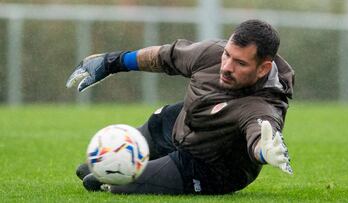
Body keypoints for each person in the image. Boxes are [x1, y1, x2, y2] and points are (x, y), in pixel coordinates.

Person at [66, 19, 294, 195]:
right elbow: (165, 57)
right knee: (90, 169)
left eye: (240, 63)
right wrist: (111, 62)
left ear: (263, 69)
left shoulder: (263, 104)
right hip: (180, 123)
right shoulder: (211, 53)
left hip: (209, 166)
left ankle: (129, 177)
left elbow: (261, 133)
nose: (226, 66)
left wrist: (263, 151)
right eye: (227, 55)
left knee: (103, 181)